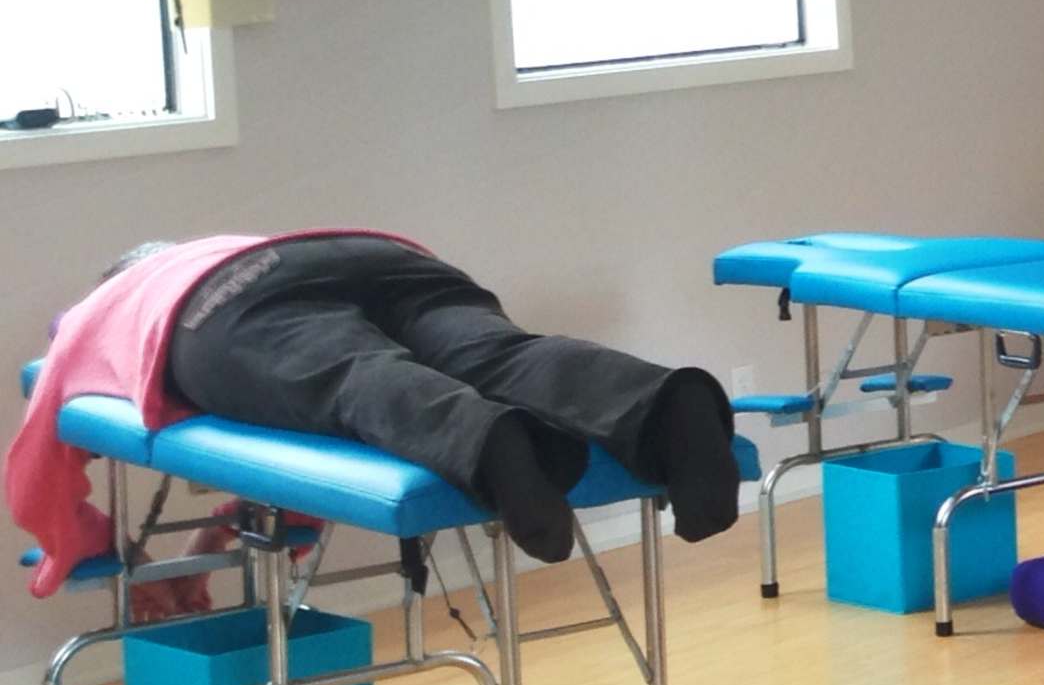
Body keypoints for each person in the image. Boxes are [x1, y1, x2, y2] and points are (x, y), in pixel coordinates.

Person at [9, 231, 740, 599]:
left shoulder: (99, 312)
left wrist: (93, 553)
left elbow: (36, 469)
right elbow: (292, 427)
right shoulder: (232, 243)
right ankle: (658, 402)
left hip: (221, 306)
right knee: (499, 355)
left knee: (357, 378)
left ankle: (489, 440)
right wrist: (220, 526)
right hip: (374, 254)